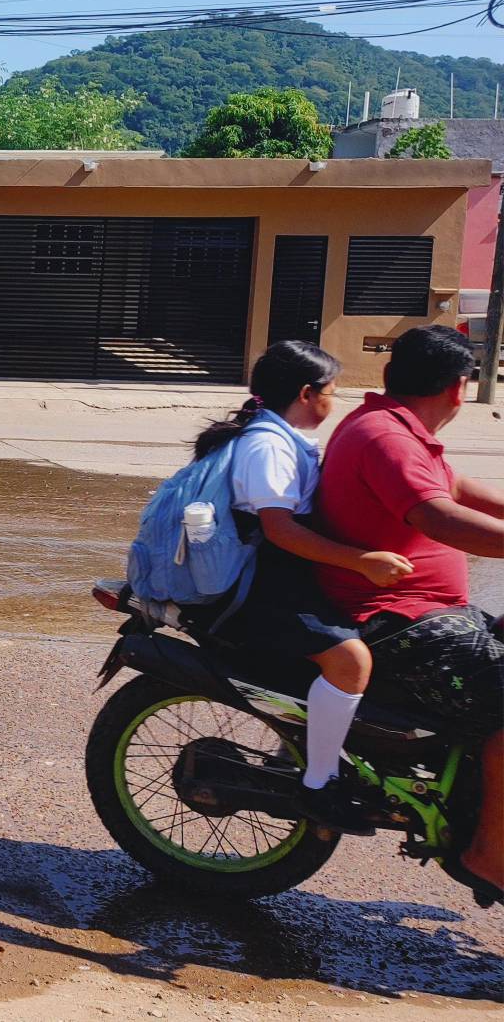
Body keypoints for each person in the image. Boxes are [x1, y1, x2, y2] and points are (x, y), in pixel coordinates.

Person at [316, 324, 504, 903]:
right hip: (396, 619)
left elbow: (459, 490)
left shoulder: (399, 427)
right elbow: (437, 517)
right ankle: (489, 855)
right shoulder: (387, 436)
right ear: (460, 387)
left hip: (428, 611)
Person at [195, 341, 412, 832]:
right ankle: (319, 786)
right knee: (349, 660)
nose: (336, 403)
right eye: (332, 392)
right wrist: (362, 562)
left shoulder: (278, 434)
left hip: (281, 573)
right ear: (307, 393)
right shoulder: (267, 445)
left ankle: (307, 747)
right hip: (258, 585)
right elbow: (280, 531)